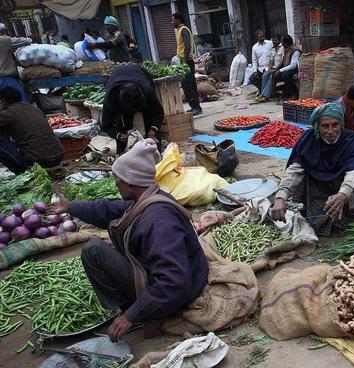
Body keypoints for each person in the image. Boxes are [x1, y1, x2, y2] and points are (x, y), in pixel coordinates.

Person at [49, 140, 209, 342]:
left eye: (118, 179)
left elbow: (174, 281)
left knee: (94, 250)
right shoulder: (146, 197)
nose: (116, 183)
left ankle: (137, 308)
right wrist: (71, 207)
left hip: (181, 291)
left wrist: (131, 315)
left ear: (131, 181)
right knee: (112, 227)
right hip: (174, 276)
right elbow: (107, 209)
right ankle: (137, 304)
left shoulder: (158, 222)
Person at [271, 103, 354, 236]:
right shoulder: (309, 140)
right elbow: (295, 170)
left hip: (345, 189)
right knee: (317, 225)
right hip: (319, 187)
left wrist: (342, 194)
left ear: (341, 124)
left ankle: (352, 214)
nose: (331, 131)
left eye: (335, 125)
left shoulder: (352, 141)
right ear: (316, 126)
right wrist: (280, 197)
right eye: (325, 126)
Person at [102, 63, 164, 155]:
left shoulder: (147, 91)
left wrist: (153, 130)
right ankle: (124, 155)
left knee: (150, 123)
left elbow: (158, 112)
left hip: (140, 74)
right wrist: (118, 136)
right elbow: (107, 124)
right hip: (117, 78)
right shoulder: (111, 99)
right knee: (123, 126)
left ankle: (156, 156)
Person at [0, 87, 64, 174]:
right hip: (58, 156)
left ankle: (21, 171)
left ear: (4, 101)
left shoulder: (8, 114)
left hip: (39, 160)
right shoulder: (33, 108)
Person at [172, 13, 202, 116]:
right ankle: (193, 106)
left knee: (189, 84)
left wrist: (184, 60)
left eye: (173, 20)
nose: (172, 22)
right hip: (184, 60)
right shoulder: (180, 30)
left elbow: (188, 45)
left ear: (178, 20)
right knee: (185, 84)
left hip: (187, 60)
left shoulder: (184, 29)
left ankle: (196, 107)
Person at [257, 35, 301, 102]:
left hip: (294, 68)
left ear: (286, 43)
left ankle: (294, 94)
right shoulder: (286, 48)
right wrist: (274, 70)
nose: (281, 44)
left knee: (284, 75)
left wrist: (279, 70)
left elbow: (293, 65)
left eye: (282, 42)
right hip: (286, 67)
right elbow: (283, 61)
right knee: (267, 74)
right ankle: (264, 94)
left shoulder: (295, 50)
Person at [0, 24, 31, 102]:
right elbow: (26, 41)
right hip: (6, 78)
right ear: (3, 32)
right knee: (21, 102)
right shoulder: (4, 40)